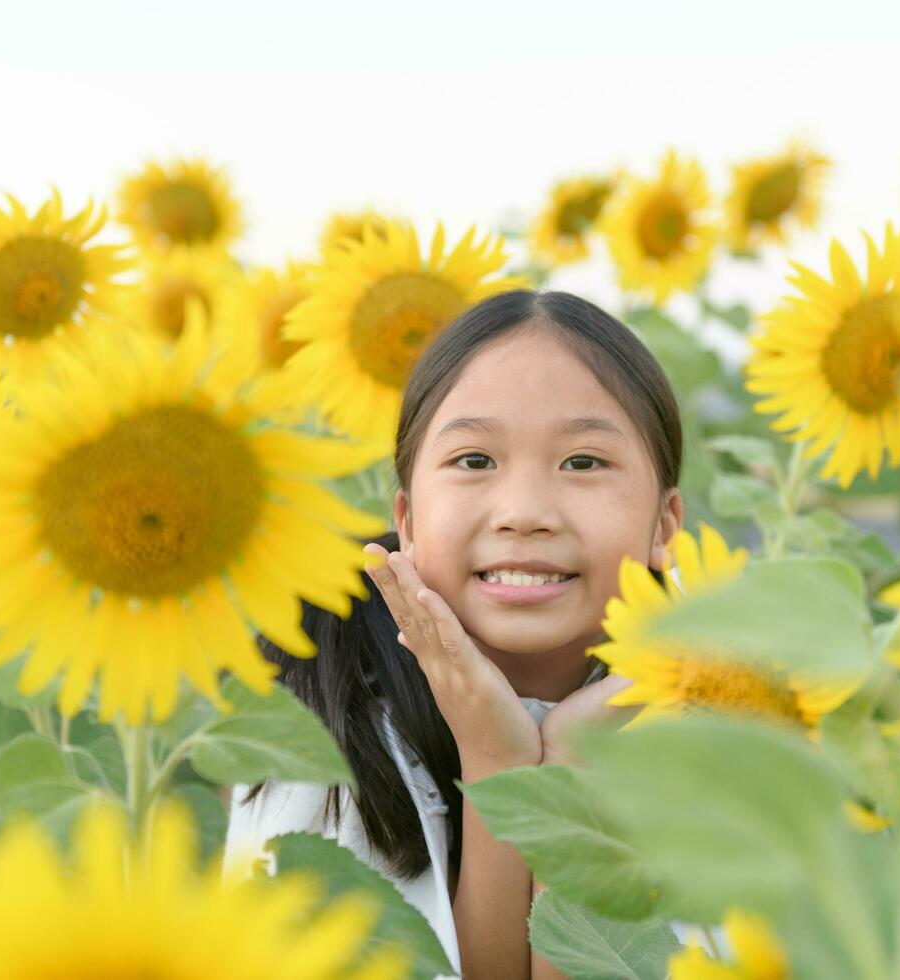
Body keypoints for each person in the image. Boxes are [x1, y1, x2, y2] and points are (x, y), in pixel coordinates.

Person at [225, 289, 685, 978]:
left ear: (664, 526)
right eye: (475, 460)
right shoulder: (321, 708)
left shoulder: (736, 717)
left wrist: (574, 771)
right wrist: (497, 761)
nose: (524, 514)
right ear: (406, 519)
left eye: (583, 462)